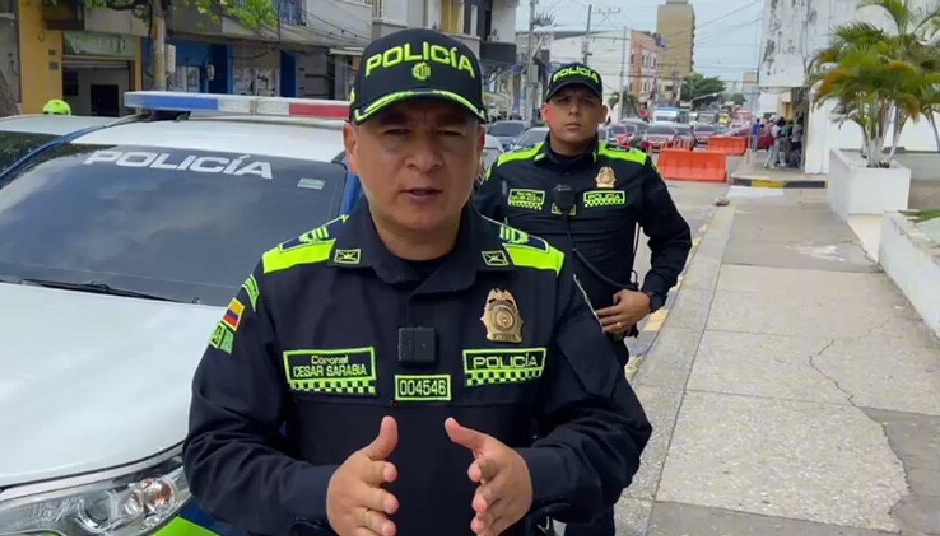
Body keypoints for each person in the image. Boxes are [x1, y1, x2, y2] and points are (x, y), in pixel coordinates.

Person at [183, 29, 651, 536]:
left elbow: (615, 429)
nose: (424, 159)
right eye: (396, 132)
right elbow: (214, 451)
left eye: (448, 133)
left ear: (479, 148)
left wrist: (534, 477)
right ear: (353, 146)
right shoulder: (285, 282)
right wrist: (320, 494)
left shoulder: (541, 277)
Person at [473, 63, 690, 534]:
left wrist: (649, 297)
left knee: (589, 470)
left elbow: (674, 239)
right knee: (513, 466)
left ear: (603, 113)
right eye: (565, 102)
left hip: (596, 345)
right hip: (517, 345)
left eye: (586, 102)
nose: (574, 111)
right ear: (546, 111)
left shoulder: (632, 170)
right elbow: (469, 238)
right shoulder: (510, 171)